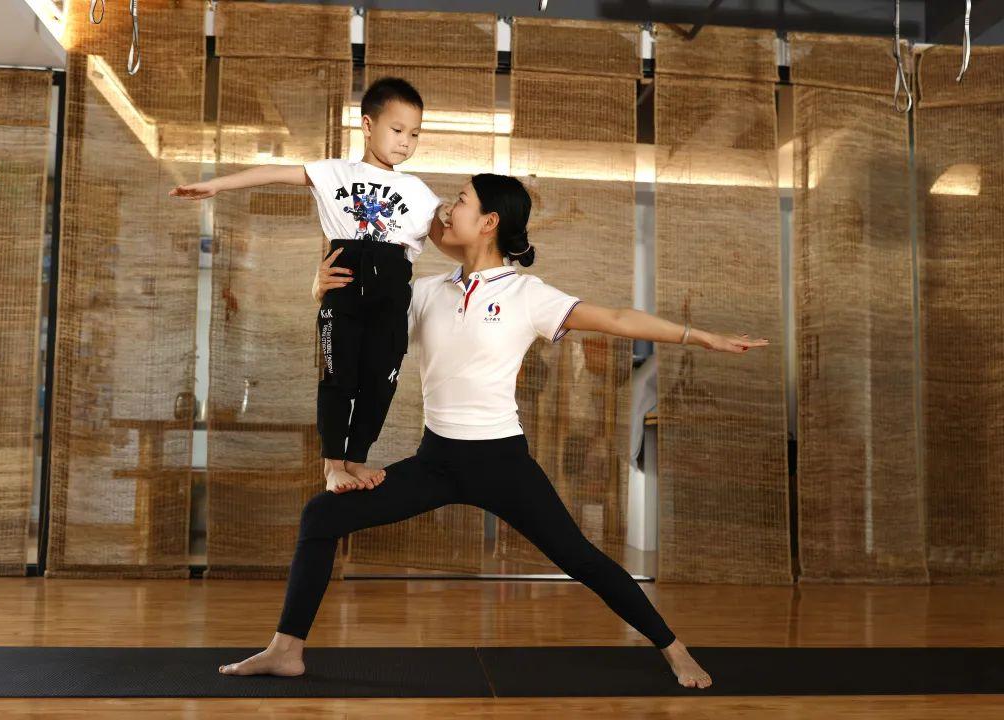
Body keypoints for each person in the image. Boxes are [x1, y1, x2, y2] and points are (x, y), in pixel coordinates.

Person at [217, 173, 770, 689]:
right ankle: (286, 650)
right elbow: (358, 341)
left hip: (502, 464)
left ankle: (672, 647)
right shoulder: (424, 291)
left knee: (579, 558)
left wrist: (702, 337)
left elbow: (620, 320)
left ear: (489, 222)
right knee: (321, 516)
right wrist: (321, 291)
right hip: (436, 461)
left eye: (460, 201)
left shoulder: (527, 295)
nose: (447, 209)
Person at [171, 78, 442, 494]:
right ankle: (333, 464)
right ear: (367, 125)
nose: (406, 142)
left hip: (391, 293)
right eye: (397, 129)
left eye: (415, 134)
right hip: (344, 284)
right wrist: (217, 184)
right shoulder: (335, 172)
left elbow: (451, 235)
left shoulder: (418, 192)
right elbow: (273, 173)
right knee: (339, 379)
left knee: (380, 382)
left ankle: (356, 459)